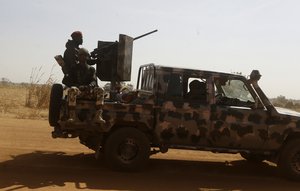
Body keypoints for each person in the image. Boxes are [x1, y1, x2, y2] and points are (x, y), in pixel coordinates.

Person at [66, 48, 105, 124]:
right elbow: (69, 81)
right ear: (78, 57)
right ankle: (72, 116)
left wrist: (90, 86)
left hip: (89, 91)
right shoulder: (74, 68)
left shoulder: (91, 69)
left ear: (87, 57)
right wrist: (78, 86)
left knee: (101, 90)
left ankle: (98, 116)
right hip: (78, 92)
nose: (83, 57)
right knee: (72, 89)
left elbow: (94, 80)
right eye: (81, 55)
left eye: (85, 55)